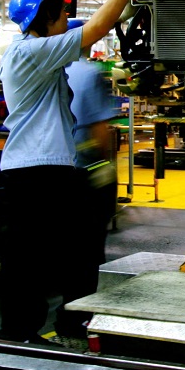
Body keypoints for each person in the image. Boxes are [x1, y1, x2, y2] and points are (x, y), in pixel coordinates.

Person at [0, 0, 149, 345]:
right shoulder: (31, 52)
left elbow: (94, 21)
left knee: (70, 249)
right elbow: (93, 29)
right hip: (37, 170)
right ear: (46, 18)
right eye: (61, 13)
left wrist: (134, 4)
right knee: (52, 254)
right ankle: (25, 330)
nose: (67, 18)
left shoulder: (36, 44)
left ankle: (62, 322)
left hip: (45, 168)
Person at [66, 52, 123, 274]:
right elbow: (98, 126)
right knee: (89, 240)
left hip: (56, 165)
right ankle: (81, 295)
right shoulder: (89, 72)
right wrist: (105, 163)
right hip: (86, 167)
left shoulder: (48, 69)